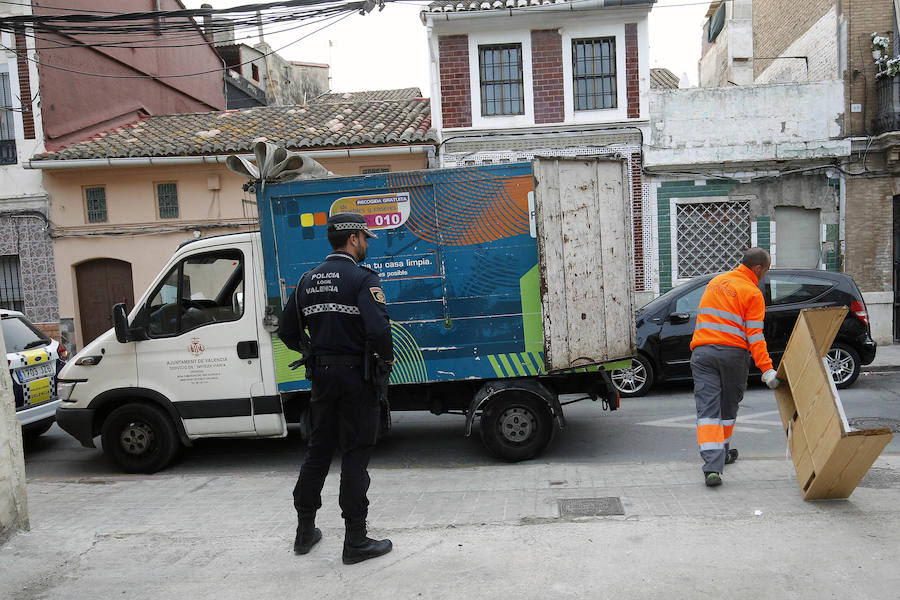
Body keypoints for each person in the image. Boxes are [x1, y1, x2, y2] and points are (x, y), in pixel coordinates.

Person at [279, 212, 394, 564]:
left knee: (318, 450)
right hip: (357, 378)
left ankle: (304, 532)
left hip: (323, 378)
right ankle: (355, 541)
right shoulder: (361, 279)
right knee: (355, 453)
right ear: (355, 238)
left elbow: (286, 331)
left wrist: (313, 351)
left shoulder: (306, 280)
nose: (365, 247)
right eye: (364, 240)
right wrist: (386, 361)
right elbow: (378, 331)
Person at [689, 247, 782, 488]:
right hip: (732, 355)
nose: (764, 276)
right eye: (766, 271)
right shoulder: (751, 292)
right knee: (728, 406)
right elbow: (755, 336)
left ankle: (715, 463)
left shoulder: (716, 282)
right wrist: (767, 370)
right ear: (758, 268)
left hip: (702, 353)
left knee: (707, 410)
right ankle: (717, 460)